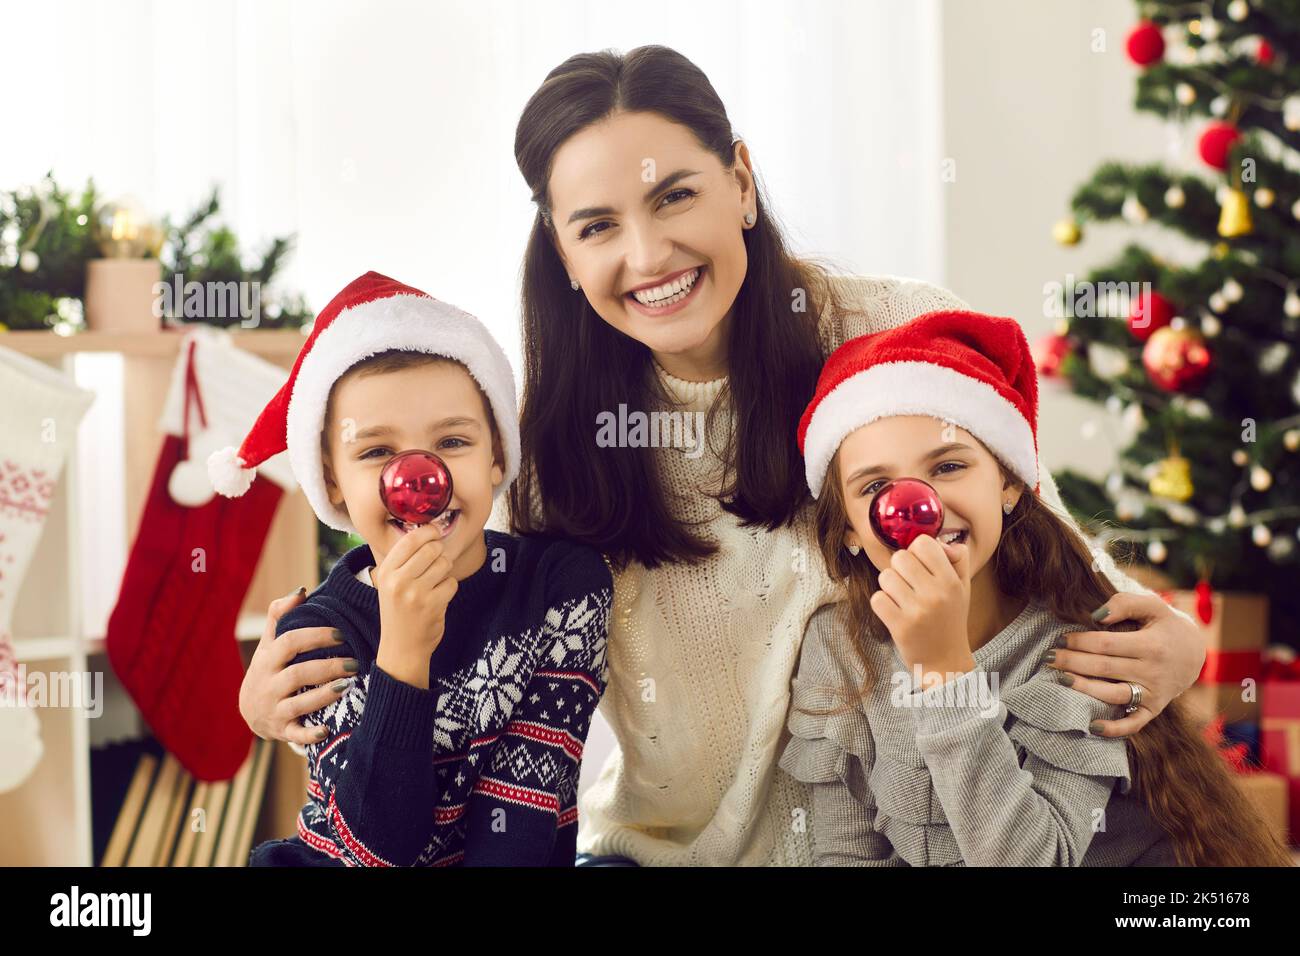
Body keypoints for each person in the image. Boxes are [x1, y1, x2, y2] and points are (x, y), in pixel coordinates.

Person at [240, 46, 1208, 866]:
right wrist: (285, 672)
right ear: (564, 252)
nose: (649, 253)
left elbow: (1025, 520)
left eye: (675, 196)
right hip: (651, 848)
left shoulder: (888, 329)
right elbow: (440, 585)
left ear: (740, 181)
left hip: (883, 835)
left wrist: (1169, 636)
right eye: (598, 226)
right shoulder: (542, 434)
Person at [777, 310, 1293, 866]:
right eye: (877, 487)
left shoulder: (1078, 645)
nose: (918, 511)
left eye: (949, 466)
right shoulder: (836, 648)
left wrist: (944, 672)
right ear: (851, 528)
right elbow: (845, 852)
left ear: (1010, 484)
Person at [209, 272, 611, 866]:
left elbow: (522, 815)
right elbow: (378, 847)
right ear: (332, 483)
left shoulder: (562, 587)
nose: (420, 482)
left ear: (497, 454)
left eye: (452, 442)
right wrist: (403, 652)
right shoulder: (315, 639)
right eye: (375, 453)